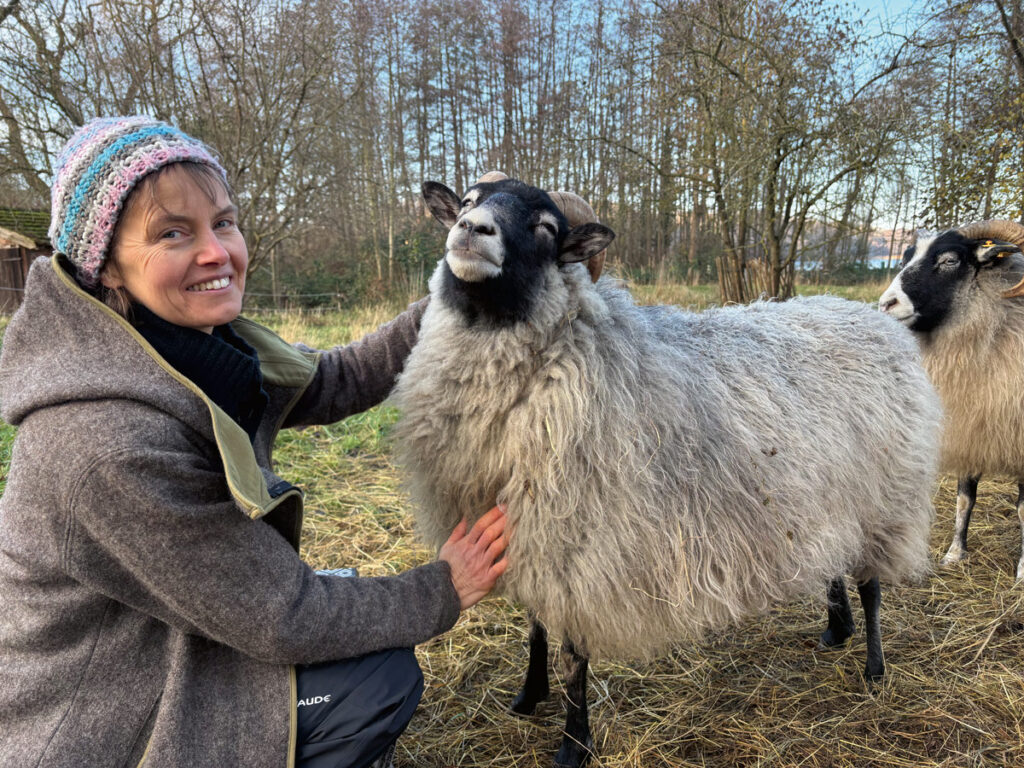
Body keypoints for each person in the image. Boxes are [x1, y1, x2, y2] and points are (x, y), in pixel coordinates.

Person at [0, 116, 508, 768]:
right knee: (377, 675)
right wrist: (443, 588)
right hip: (99, 717)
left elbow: (336, 380)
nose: (217, 251)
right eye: (172, 233)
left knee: (349, 604)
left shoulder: (186, 350)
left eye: (224, 222)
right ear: (109, 267)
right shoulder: (105, 445)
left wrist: (450, 291)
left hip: (170, 630)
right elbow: (282, 617)